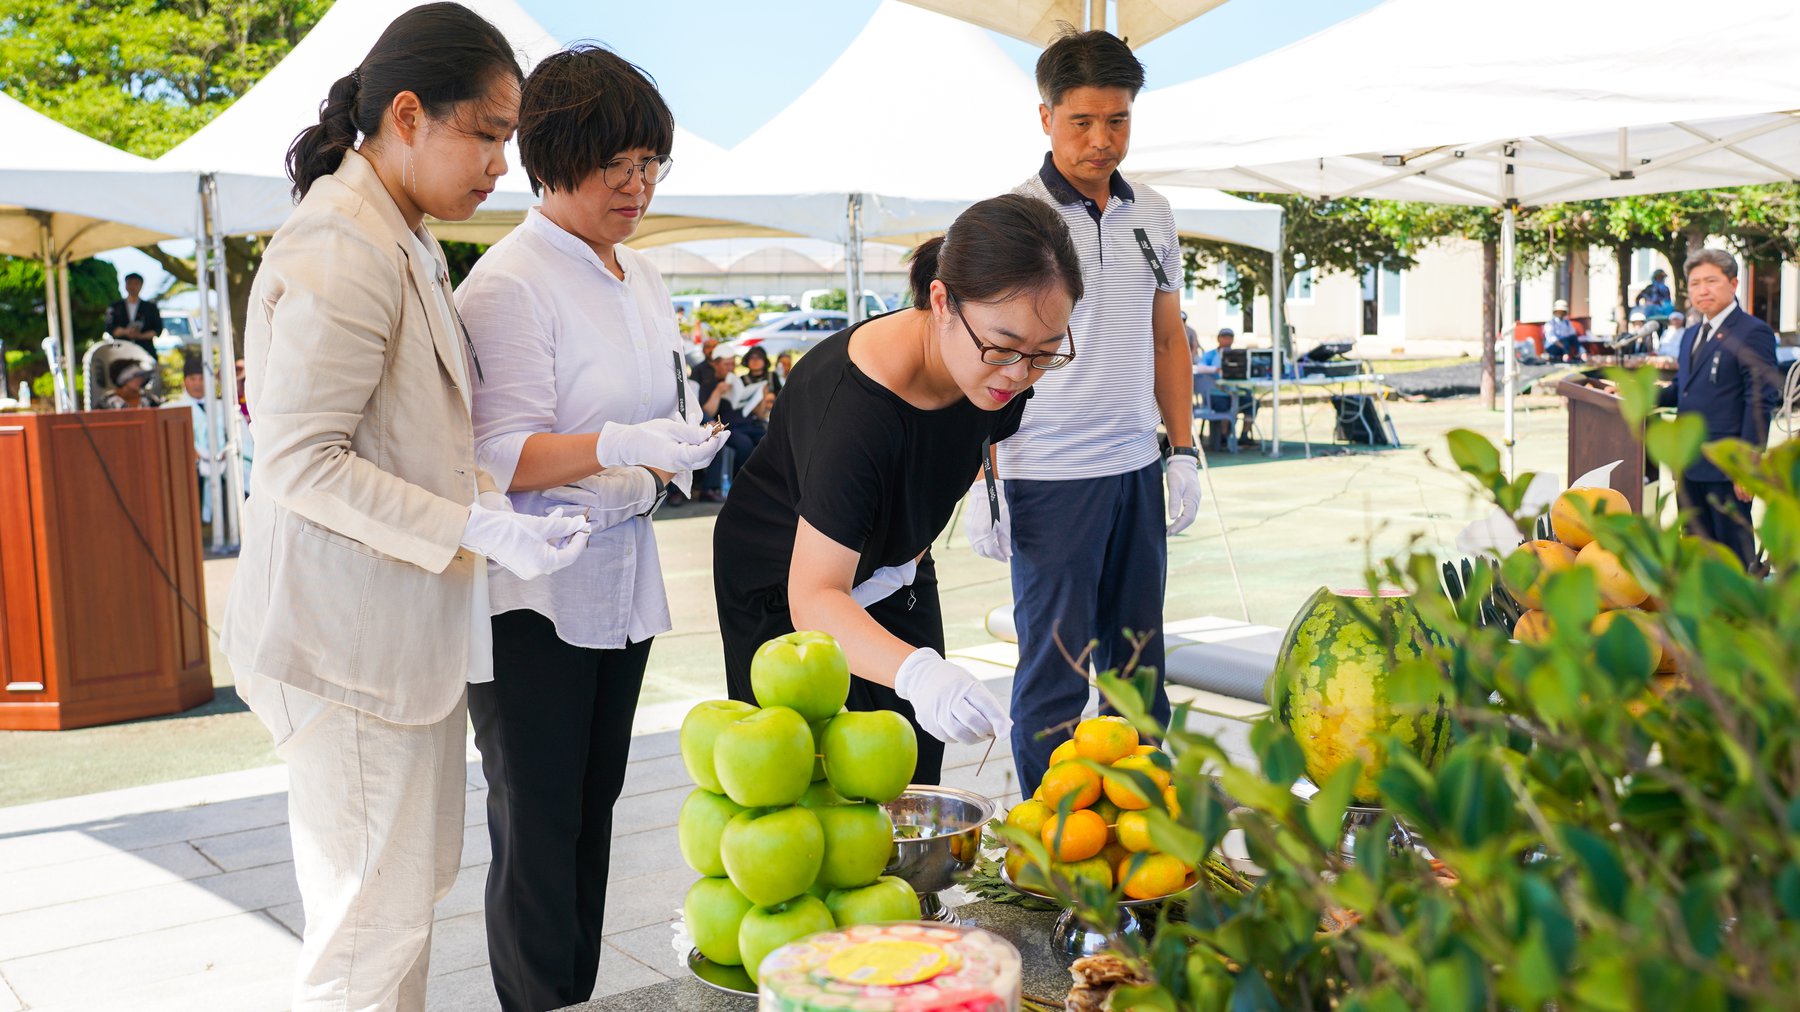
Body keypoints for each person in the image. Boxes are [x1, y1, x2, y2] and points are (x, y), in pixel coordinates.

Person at [214, 8, 661, 1009]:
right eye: (490, 133)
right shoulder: (344, 246)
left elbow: (409, 433)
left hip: (391, 632)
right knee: (368, 933)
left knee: (396, 906)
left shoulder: (398, 232)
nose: (503, 162)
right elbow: (300, 459)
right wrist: (470, 523)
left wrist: (494, 502)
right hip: (348, 642)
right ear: (408, 115)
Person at [455, 45, 725, 1012]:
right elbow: (494, 454)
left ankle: (577, 992)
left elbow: (645, 412)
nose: (639, 184)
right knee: (536, 815)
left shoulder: (638, 276)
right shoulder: (508, 282)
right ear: (553, 155)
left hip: (621, 568)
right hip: (535, 587)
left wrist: (669, 446)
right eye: (619, 163)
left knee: (593, 807)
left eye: (651, 163)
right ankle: (539, 998)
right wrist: (614, 439)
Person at [712, 193, 1083, 782]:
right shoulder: (854, 412)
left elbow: (976, 431)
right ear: (941, 300)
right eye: (1003, 347)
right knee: (814, 782)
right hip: (786, 582)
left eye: (1043, 354)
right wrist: (918, 673)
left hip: (896, 562)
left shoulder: (999, 366)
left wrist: (983, 495)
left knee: (909, 769)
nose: (1017, 373)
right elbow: (813, 595)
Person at [965, 28, 1194, 795]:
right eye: (1082, 122)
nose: (1102, 141)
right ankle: (1054, 846)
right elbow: (977, 357)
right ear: (1045, 118)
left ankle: (1139, 834)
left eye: (1118, 120)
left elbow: (1169, 337)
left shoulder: (1154, 213)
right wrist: (982, 480)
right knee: (1056, 681)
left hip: (1136, 468)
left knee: (1138, 674)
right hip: (1048, 475)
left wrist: (1184, 451)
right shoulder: (1013, 218)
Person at [1657, 249, 1783, 572]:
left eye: (1711, 281)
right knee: (1697, 554)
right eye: (1695, 283)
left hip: (1727, 466)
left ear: (1733, 283)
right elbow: (1683, 391)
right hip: (1689, 464)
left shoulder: (1752, 332)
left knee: (1733, 558)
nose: (1702, 290)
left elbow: (1759, 399)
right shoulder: (1690, 335)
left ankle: (1741, 620)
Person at [1192, 327, 1258, 447]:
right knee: (1224, 406)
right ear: (1219, 339)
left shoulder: (1238, 354)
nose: (1227, 340)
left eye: (1230, 338)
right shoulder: (1210, 355)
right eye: (1224, 337)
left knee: (1252, 402)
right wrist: (1217, 369)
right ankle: (1223, 437)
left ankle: (1244, 436)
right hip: (1216, 394)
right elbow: (1200, 367)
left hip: (1234, 391)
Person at [107, 273, 163, 358]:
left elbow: (158, 329)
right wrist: (125, 332)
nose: (132, 286)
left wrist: (140, 336)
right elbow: (109, 327)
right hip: (121, 352)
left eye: (136, 283)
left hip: (145, 352)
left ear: (141, 285)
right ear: (125, 285)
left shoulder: (150, 307)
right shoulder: (115, 306)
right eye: (129, 283)